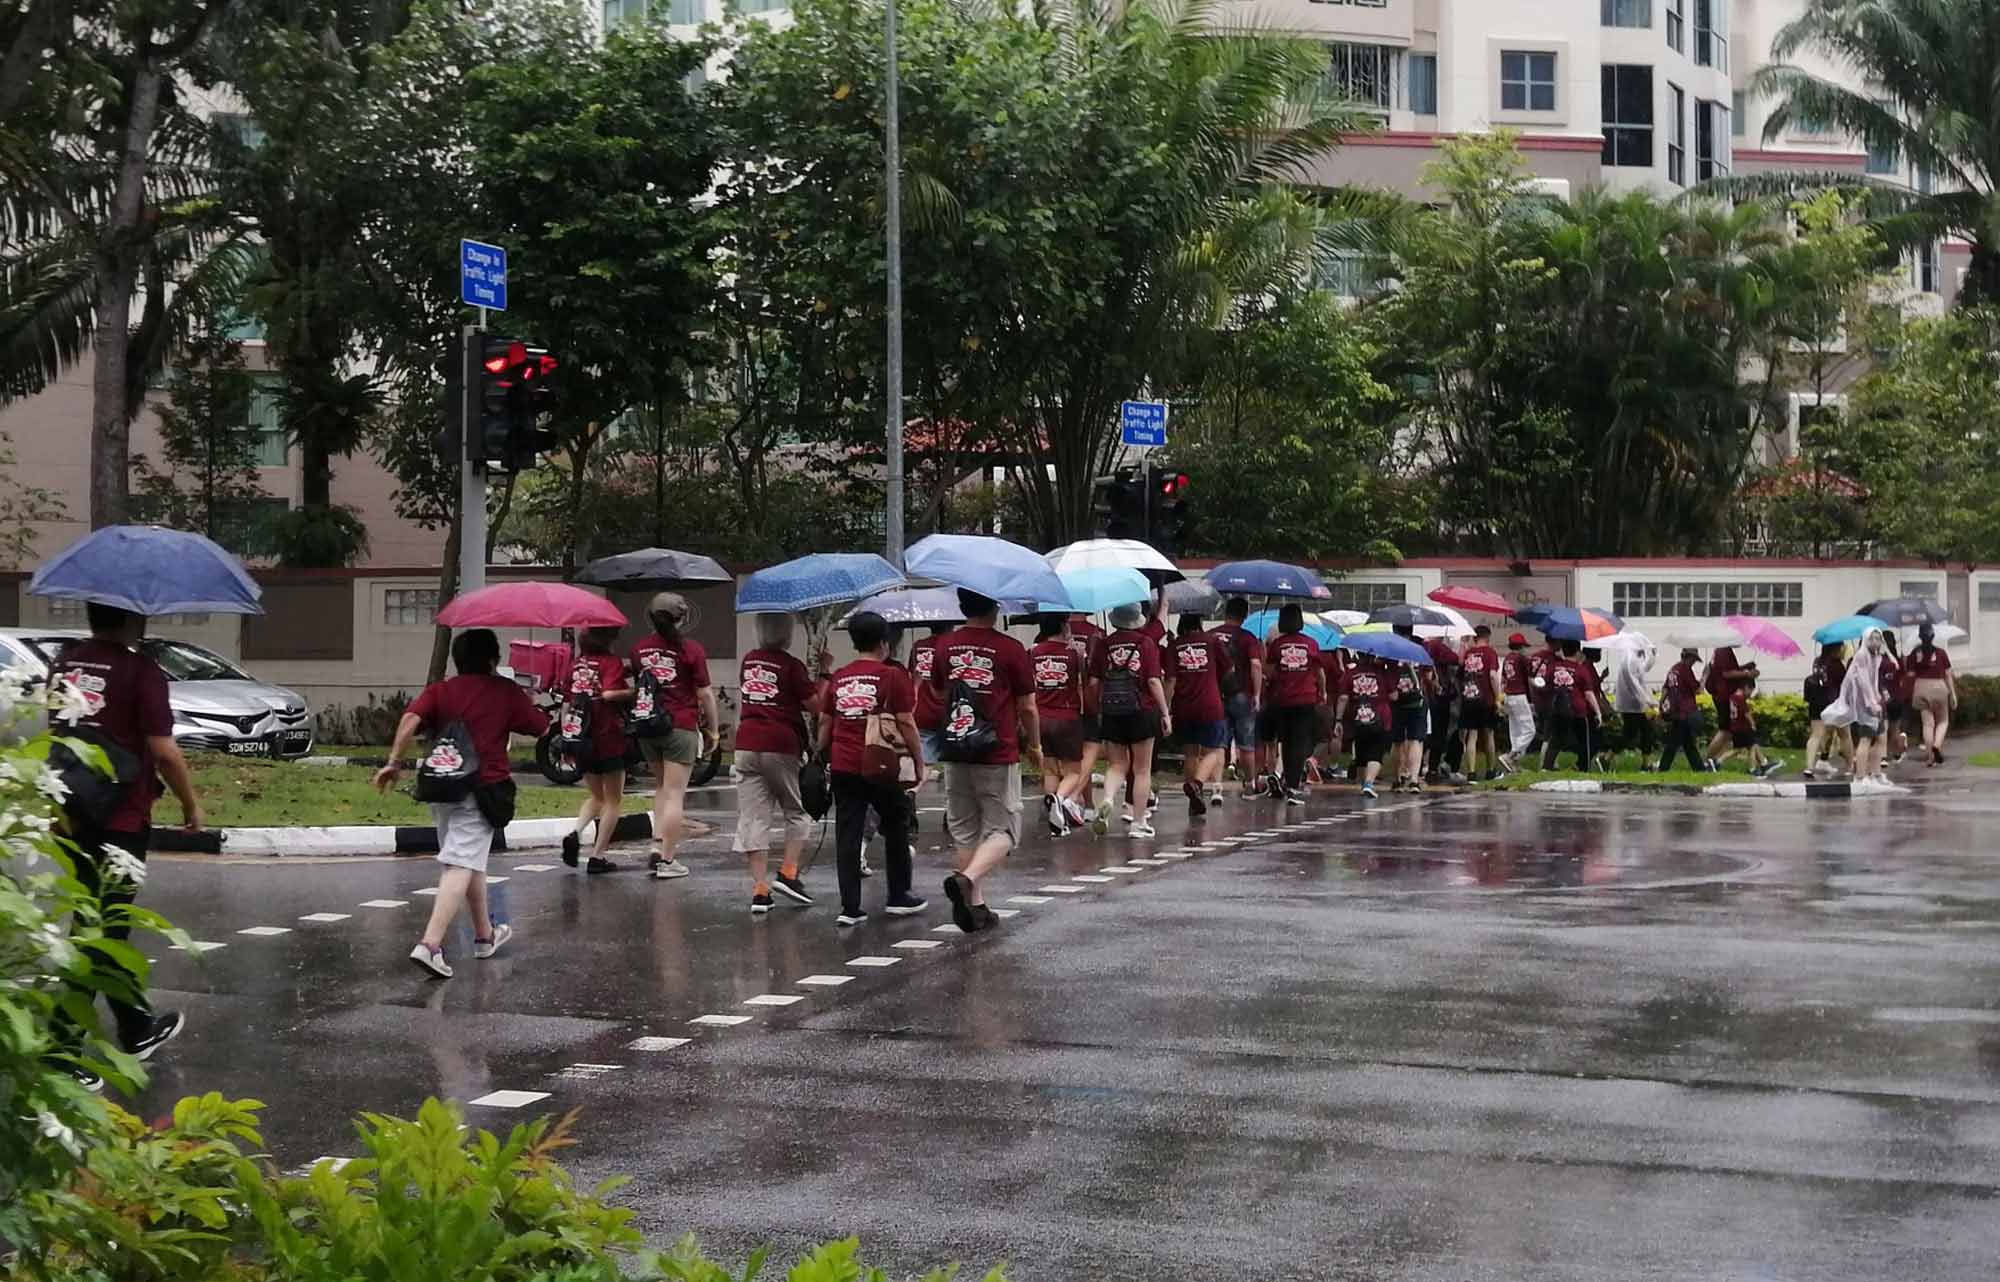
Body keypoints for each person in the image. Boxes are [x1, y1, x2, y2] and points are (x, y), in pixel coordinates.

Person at [48, 604, 203, 1070]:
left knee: (98, 924)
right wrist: (191, 803)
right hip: (121, 818)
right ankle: (61, 1052)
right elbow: (164, 750)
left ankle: (136, 1028)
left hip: (69, 811)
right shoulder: (141, 672)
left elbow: (58, 731)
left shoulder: (65, 662)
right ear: (135, 618)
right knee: (101, 932)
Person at [377, 628, 547, 980]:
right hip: (481, 788)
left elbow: (409, 720)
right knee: (459, 863)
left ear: (457, 659)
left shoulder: (441, 690)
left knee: (468, 861)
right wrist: (527, 700)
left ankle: (485, 936)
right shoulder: (505, 691)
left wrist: (394, 762)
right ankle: (430, 945)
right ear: (493, 659)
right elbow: (540, 727)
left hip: (441, 786)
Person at [936, 590, 1042, 932]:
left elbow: (939, 692)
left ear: (962, 606)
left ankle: (976, 906)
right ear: (995, 607)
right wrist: (1035, 745)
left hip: (955, 747)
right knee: (1005, 831)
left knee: (966, 830)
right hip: (996, 750)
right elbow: (1027, 706)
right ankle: (967, 880)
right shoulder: (1010, 649)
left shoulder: (944, 646)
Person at [818, 611, 927, 926]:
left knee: (847, 832)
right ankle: (899, 895)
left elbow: (825, 722)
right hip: (880, 763)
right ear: (884, 642)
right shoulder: (892, 676)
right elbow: (906, 722)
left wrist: (820, 754)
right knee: (896, 821)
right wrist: (919, 761)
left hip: (843, 763)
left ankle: (850, 908)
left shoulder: (840, 677)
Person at [735, 614, 820, 914]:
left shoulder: (749, 661)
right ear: (787, 634)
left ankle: (760, 889)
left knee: (753, 817)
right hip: (781, 742)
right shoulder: (791, 666)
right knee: (796, 810)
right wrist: (822, 674)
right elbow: (815, 705)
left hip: (746, 741)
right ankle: (788, 872)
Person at [630, 594, 719, 880]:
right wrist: (714, 730)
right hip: (680, 726)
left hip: (648, 727)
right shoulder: (691, 650)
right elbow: (705, 693)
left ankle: (657, 845)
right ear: (682, 618)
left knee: (661, 787)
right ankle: (668, 861)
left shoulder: (638, 650)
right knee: (674, 794)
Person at [1088, 601, 1170, 835]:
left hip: (1112, 711)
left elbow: (1093, 682)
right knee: (1142, 769)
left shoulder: (1104, 644)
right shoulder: (1146, 643)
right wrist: (1165, 712)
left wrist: (1098, 707)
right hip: (1142, 710)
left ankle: (1108, 799)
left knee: (1116, 765)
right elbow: (1153, 681)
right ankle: (1138, 822)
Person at [559, 626, 633, 875]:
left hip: (581, 738)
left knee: (596, 797)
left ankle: (575, 832)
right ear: (606, 640)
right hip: (608, 737)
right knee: (613, 800)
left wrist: (566, 737)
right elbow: (610, 694)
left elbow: (567, 702)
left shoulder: (575, 665)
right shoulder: (610, 662)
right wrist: (631, 692)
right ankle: (598, 855)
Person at [1029, 614, 1089, 835]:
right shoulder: (1073, 654)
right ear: (1064, 626)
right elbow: (1085, 680)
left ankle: (1055, 819)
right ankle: (1059, 799)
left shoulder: (1033, 652)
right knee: (1073, 772)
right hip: (1067, 716)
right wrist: (1081, 656)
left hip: (1041, 717)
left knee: (1050, 770)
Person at [1167, 612, 1232, 815]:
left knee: (1190, 753)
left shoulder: (1174, 645)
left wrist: (1166, 708)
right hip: (1210, 704)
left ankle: (1193, 801)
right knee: (1214, 750)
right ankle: (1197, 784)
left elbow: (1170, 680)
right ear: (1200, 623)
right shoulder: (1212, 641)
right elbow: (1229, 669)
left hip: (1183, 706)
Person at [1262, 606, 1324, 805]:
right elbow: (1319, 673)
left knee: (1286, 742)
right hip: (1306, 698)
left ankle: (1287, 781)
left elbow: (1269, 672)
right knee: (1299, 742)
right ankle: (1293, 786)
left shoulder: (1277, 645)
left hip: (1282, 699)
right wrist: (1322, 692)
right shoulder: (1311, 644)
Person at [1215, 598, 1265, 795]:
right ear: (1244, 615)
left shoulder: (1211, 635)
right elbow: (1256, 665)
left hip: (1216, 694)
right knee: (1246, 744)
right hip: (1242, 694)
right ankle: (1250, 784)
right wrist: (1257, 694)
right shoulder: (1248, 638)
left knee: (1218, 745)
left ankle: (1217, 787)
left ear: (1225, 612)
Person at [1334, 651, 1393, 799]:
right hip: (1380, 717)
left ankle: (1363, 785)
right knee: (1376, 752)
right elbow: (1394, 695)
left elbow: (1343, 697)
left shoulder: (1350, 673)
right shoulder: (1382, 672)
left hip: (1358, 717)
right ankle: (1369, 783)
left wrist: (1338, 719)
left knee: (1361, 752)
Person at [1835, 630, 1888, 785]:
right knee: (1866, 739)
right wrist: (1871, 702)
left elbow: (1874, 680)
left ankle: (1876, 773)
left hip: (1875, 702)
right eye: (1872, 638)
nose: (1876, 641)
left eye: (1878, 638)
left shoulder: (1875, 656)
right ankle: (1860, 776)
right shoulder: (1861, 656)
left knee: (1880, 738)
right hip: (1864, 705)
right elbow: (1863, 682)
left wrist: (1877, 697)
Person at [1539, 640, 1602, 772]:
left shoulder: (1553, 667)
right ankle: (1583, 768)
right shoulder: (1581, 669)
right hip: (1578, 711)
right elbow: (1588, 693)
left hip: (1558, 709)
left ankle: (1546, 767)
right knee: (1584, 741)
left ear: (1563, 650)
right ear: (1578, 652)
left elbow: (1545, 685)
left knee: (1556, 740)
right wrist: (1598, 712)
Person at [1906, 622, 1959, 766]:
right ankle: (1937, 745)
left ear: (1920, 636)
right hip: (1939, 687)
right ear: (1933, 636)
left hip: (1921, 687)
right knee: (1943, 721)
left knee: (1927, 725)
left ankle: (1930, 757)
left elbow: (1910, 675)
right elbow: (1948, 674)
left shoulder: (1914, 653)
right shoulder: (1941, 653)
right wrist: (1952, 694)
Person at [1457, 625, 1504, 781]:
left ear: (1475, 637)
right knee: (1489, 734)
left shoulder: (1468, 654)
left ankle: (1471, 773)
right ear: (1488, 637)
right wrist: (1497, 697)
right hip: (1486, 700)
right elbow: (1493, 676)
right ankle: (1490, 771)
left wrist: (1463, 645)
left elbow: (1460, 670)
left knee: (1472, 735)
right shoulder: (1490, 653)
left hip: (1469, 698)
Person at [1801, 641, 1852, 779]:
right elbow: (1845, 684)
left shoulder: (1817, 662)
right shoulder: (1837, 665)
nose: (1843, 649)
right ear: (1835, 648)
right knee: (1844, 735)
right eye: (1841, 647)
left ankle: (1809, 767)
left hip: (1816, 703)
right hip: (1833, 704)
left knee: (1815, 735)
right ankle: (1850, 766)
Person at [1389, 626, 1431, 792]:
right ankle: (1414, 780)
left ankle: (1397, 779)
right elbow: (1428, 675)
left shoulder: (1390, 648)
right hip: (1416, 700)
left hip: (1396, 699)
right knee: (1415, 740)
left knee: (1397, 741)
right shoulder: (1419, 648)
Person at [1712, 672, 1779, 776]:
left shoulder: (1732, 697)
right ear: (1746, 687)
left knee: (1739, 749)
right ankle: (1753, 768)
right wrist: (1752, 724)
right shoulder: (1740, 698)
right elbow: (1746, 713)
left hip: (1735, 726)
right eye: (1750, 691)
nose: (1750, 694)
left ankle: (1718, 761)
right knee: (1752, 746)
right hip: (1743, 727)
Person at [1656, 647, 1707, 773]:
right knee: (1674, 743)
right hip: (1685, 711)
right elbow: (1698, 690)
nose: (1694, 662)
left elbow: (1666, 688)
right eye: (1693, 660)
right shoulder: (1685, 670)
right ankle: (1663, 768)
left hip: (1675, 711)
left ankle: (1699, 769)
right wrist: (1705, 676)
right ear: (1689, 657)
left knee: (1687, 743)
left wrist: (1661, 706)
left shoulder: (1674, 669)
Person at [909, 622, 953, 765]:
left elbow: (913, 677)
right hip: (949, 712)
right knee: (952, 765)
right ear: (950, 625)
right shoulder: (953, 647)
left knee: (924, 765)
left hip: (923, 711)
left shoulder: (918, 646)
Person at [1422, 631, 1462, 784]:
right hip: (1439, 698)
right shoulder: (1438, 646)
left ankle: (1418, 767)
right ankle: (1433, 769)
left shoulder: (1422, 646)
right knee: (1438, 734)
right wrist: (1464, 644)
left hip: (1424, 696)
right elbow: (1457, 660)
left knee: (1424, 734)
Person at [1611, 643, 1656, 766]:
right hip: (1631, 705)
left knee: (1646, 732)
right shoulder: (1630, 660)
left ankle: (1646, 764)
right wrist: (1647, 701)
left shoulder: (1634, 659)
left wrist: (1652, 656)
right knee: (1630, 735)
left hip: (1635, 705)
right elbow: (1634, 684)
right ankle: (1606, 758)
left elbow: (1643, 669)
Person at [1498, 633, 1537, 772]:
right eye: (1524, 647)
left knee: (1515, 731)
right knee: (1529, 730)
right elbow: (1531, 678)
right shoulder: (1522, 659)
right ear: (1520, 647)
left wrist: (1501, 698)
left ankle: (1514, 764)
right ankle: (1511, 755)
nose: (1525, 649)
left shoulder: (1507, 659)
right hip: (1519, 696)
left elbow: (1503, 680)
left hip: (1508, 696)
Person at [1880, 633, 1909, 765]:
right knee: (1895, 727)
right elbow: (1903, 675)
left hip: (1883, 698)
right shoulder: (1897, 661)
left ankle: (1883, 756)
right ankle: (1896, 754)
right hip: (1897, 698)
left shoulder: (1879, 661)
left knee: (1883, 728)